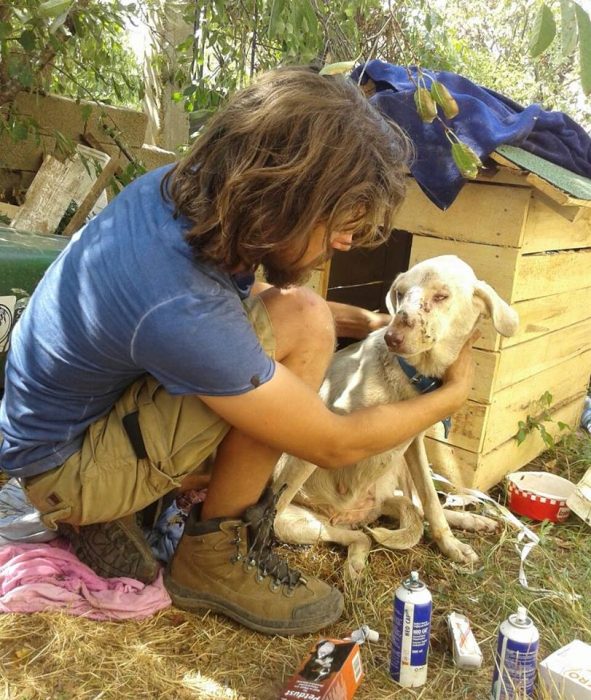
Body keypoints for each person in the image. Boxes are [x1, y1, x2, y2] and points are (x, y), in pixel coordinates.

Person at [0, 65, 475, 636]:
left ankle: (144, 507)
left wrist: (371, 321)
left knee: (307, 314)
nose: (345, 243)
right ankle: (210, 560)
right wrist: (450, 396)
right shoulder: (179, 301)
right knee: (306, 322)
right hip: (64, 469)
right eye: (338, 224)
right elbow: (329, 441)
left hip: (64, 421)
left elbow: (245, 305)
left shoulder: (179, 192)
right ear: (285, 195)